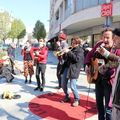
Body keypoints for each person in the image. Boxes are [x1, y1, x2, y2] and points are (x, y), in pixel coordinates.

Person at [85, 28, 120, 120]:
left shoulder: (117, 48)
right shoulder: (99, 44)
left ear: (114, 38)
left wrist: (106, 67)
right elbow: (89, 55)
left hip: (109, 83)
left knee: (108, 109)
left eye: (107, 38)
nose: (105, 40)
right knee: (99, 105)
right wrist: (88, 65)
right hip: (98, 80)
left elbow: (117, 62)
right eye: (104, 37)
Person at [97, 28, 120, 120]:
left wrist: (106, 67)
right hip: (115, 98)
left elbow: (116, 61)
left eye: (116, 37)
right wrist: (105, 53)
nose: (114, 40)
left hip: (115, 95)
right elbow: (118, 60)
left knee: (109, 111)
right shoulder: (101, 45)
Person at [61, 36, 84, 107]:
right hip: (66, 68)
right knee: (63, 84)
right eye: (72, 42)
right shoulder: (71, 49)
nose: (72, 44)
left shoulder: (80, 50)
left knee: (72, 86)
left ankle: (77, 99)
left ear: (77, 43)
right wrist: (64, 54)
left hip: (74, 69)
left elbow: (76, 59)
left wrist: (69, 52)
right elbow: (66, 59)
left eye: (74, 43)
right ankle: (67, 96)